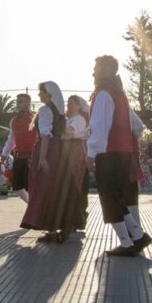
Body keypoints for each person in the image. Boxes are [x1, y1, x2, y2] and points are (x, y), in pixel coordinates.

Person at [87, 55, 152, 257]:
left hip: (109, 154)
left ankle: (129, 242)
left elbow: (98, 127)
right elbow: (137, 126)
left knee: (109, 199)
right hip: (123, 153)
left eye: (96, 68)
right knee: (115, 199)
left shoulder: (103, 94)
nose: (93, 72)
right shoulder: (120, 95)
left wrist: (91, 153)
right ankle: (137, 237)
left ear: (103, 71)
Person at [20, 82, 81, 243]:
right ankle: (60, 225)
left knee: (42, 188)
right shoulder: (59, 112)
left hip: (47, 149)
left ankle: (52, 229)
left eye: (41, 92)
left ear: (49, 94)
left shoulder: (46, 110)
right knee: (56, 188)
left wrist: (42, 158)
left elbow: (45, 136)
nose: (39, 95)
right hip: (59, 150)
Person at [2, 94, 37, 203]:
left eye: (20, 101)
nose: (18, 104)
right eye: (17, 101)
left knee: (30, 186)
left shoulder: (35, 118)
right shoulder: (14, 120)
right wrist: (5, 153)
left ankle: (33, 208)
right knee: (17, 187)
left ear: (28, 103)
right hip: (19, 157)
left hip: (33, 156)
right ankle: (31, 205)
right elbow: (11, 138)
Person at [65, 95, 90, 231]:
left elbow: (68, 133)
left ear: (79, 106)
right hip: (67, 151)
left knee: (76, 183)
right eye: (68, 103)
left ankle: (78, 218)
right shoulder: (68, 119)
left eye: (72, 103)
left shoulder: (79, 119)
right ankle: (74, 218)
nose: (69, 105)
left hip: (75, 150)